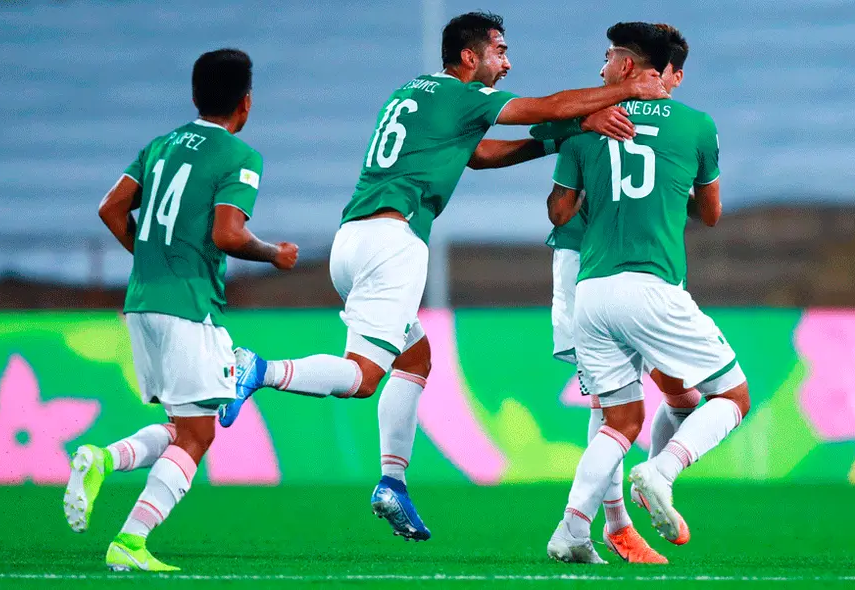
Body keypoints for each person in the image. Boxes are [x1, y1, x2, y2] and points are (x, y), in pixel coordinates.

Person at [217, 11, 668, 542]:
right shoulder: (462, 94)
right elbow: (542, 108)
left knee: (414, 356)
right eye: (500, 51)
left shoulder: (415, 91)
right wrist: (619, 94)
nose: (508, 62)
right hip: (393, 244)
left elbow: (475, 156)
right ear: (470, 57)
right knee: (362, 377)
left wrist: (560, 139)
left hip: (352, 241)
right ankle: (259, 369)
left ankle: (392, 483)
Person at [62, 48, 297, 571]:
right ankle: (130, 541)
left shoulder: (160, 146)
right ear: (247, 103)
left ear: (195, 96)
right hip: (189, 306)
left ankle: (104, 459)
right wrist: (272, 253)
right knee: (199, 435)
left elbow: (111, 208)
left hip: (142, 301)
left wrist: (153, 261)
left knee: (183, 426)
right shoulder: (240, 156)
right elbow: (227, 234)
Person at [544, 23, 750, 563]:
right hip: (651, 286)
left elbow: (559, 212)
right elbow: (710, 215)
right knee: (732, 397)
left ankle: (572, 529)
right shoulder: (697, 125)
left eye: (610, 57)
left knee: (618, 421)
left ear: (633, 66)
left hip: (590, 290)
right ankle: (662, 470)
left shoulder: (585, 128)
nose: (603, 67)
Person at [532, 23, 695, 563]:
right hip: (586, 264)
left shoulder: (659, 126)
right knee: (613, 407)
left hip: (639, 272)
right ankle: (613, 522)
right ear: (645, 71)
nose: (670, 84)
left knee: (676, 397)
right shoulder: (589, 114)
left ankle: (642, 493)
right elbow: (537, 137)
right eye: (668, 73)